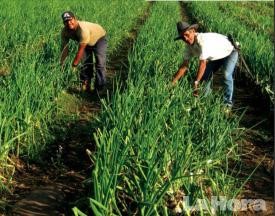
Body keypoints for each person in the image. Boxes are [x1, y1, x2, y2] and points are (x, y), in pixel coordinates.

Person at [172, 21, 238, 108]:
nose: (186, 39)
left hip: (230, 51)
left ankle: (227, 104)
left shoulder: (202, 41)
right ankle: (206, 101)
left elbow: (203, 64)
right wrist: (173, 81)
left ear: (193, 31)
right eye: (183, 38)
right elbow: (184, 65)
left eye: (187, 35)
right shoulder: (188, 47)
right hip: (216, 55)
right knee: (205, 77)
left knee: (226, 74)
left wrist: (196, 82)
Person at [60, 11, 107, 93]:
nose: (69, 23)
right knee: (85, 62)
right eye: (66, 21)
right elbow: (65, 49)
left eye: (70, 20)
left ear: (75, 19)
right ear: (63, 23)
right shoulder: (65, 32)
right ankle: (85, 84)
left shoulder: (82, 30)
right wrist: (62, 64)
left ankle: (100, 87)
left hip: (99, 38)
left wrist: (74, 65)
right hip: (85, 41)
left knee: (100, 62)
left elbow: (81, 50)